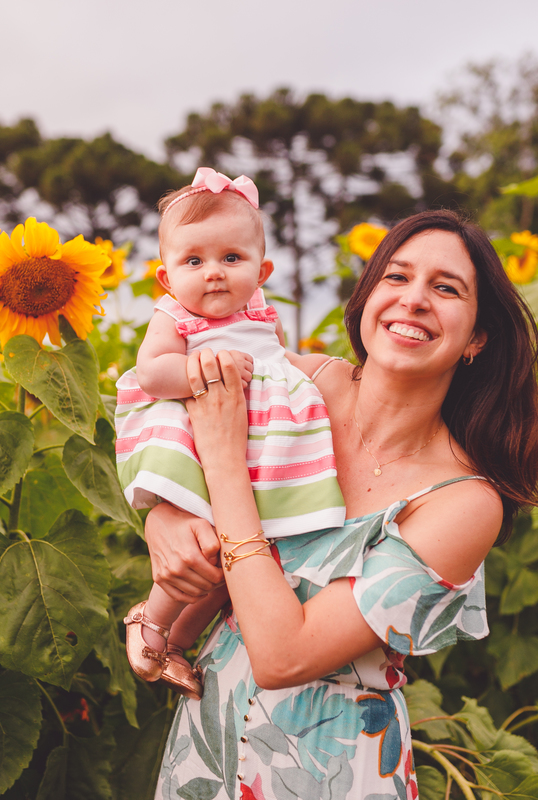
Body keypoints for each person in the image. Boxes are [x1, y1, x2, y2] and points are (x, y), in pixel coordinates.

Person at [145, 209, 538, 798]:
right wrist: (167, 514)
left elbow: (284, 657)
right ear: (367, 298)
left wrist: (227, 466)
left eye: (445, 288)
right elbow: (159, 421)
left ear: (478, 336)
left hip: (329, 772)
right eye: (396, 277)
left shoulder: (463, 502)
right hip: (210, 745)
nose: (413, 300)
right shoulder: (293, 384)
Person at [116, 167, 347, 698]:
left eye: (232, 259)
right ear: (167, 277)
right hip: (196, 436)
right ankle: (151, 622)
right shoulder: (176, 317)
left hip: (256, 442)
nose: (213, 273)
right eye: (194, 261)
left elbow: (280, 364)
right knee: (200, 542)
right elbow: (152, 372)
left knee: (238, 548)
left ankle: (177, 639)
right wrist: (202, 372)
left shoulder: (264, 314)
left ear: (261, 270)